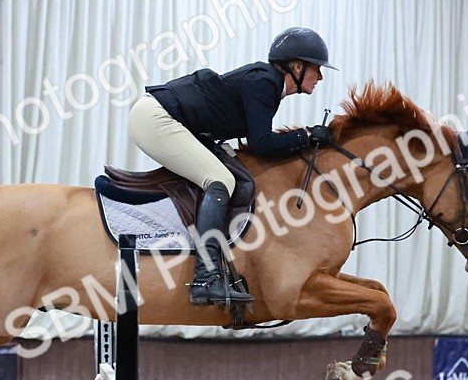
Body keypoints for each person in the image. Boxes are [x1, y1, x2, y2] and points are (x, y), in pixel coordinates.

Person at [128, 27, 336, 306]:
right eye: (316, 69)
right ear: (297, 67)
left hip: (177, 121)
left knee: (235, 175)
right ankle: (204, 278)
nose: (320, 77)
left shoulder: (267, 83)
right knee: (220, 181)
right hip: (156, 118)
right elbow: (261, 143)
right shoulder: (264, 83)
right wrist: (307, 136)